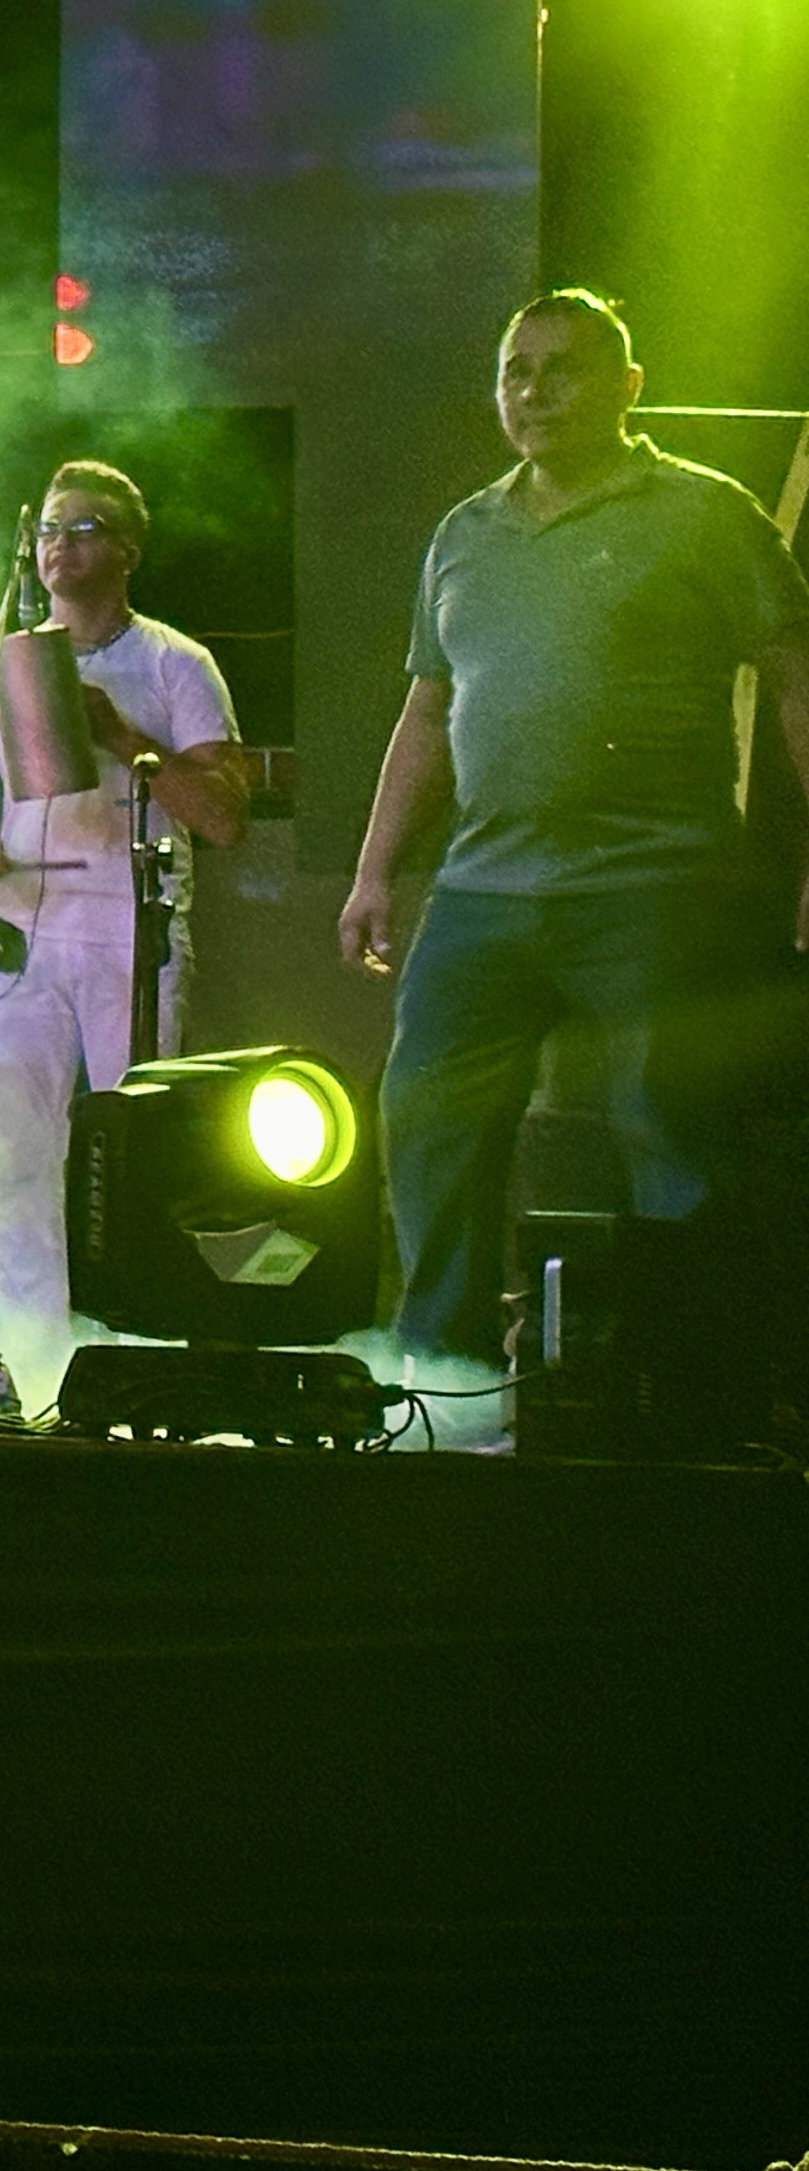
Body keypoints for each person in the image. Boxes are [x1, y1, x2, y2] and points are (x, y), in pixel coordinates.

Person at [341, 289, 809, 1420]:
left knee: (669, 1129)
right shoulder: (465, 532)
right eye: (516, 371)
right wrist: (372, 871)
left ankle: (691, 1395)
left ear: (628, 386)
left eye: (562, 368)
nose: (535, 391)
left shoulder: (707, 513)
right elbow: (426, 711)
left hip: (654, 881)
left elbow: (798, 680)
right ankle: (447, 1385)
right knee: (429, 1112)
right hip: (485, 886)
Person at [0, 458, 247, 1352]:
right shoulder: (2, 661)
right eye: (47, 529)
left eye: (82, 529)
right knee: (21, 1157)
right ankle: (34, 1349)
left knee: (133, 1147)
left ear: (127, 550)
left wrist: (119, 734)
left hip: (128, 921)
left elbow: (224, 817)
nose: (57, 546)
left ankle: (133, 1341)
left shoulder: (175, 662)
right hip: (20, 922)